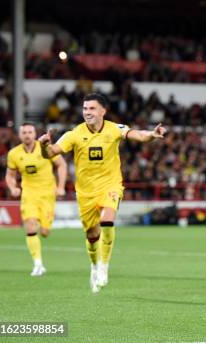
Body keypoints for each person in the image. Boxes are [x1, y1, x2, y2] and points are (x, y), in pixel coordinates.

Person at [39, 93, 167, 292]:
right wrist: (43, 145)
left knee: (107, 220)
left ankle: (104, 266)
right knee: (92, 234)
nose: (87, 112)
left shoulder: (114, 128)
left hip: (111, 185)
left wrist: (152, 134)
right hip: (85, 193)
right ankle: (94, 264)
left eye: (91, 108)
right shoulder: (74, 134)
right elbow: (50, 153)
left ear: (103, 111)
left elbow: (138, 135)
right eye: (85, 109)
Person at [5, 123, 67, 276]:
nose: (27, 135)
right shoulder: (14, 153)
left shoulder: (45, 148)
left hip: (47, 194)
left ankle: (43, 226)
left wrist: (61, 186)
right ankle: (38, 264)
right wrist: (12, 187)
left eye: (30, 132)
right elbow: (10, 175)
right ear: (20, 135)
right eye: (24, 132)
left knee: (44, 232)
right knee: (31, 226)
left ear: (34, 134)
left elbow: (61, 165)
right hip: (29, 195)